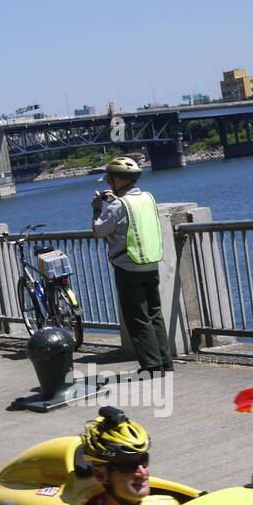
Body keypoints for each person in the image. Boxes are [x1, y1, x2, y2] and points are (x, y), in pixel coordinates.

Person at [90, 155, 173, 378]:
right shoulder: (147, 198)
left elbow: (99, 231)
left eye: (110, 180)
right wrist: (115, 201)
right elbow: (130, 215)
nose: (109, 183)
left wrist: (97, 209)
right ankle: (165, 361)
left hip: (128, 266)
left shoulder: (117, 205)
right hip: (151, 262)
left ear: (118, 180)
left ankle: (152, 366)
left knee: (137, 317)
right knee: (155, 313)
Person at [77, 407, 179, 505]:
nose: (142, 472)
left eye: (144, 460)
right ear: (101, 475)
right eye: (128, 466)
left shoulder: (169, 503)